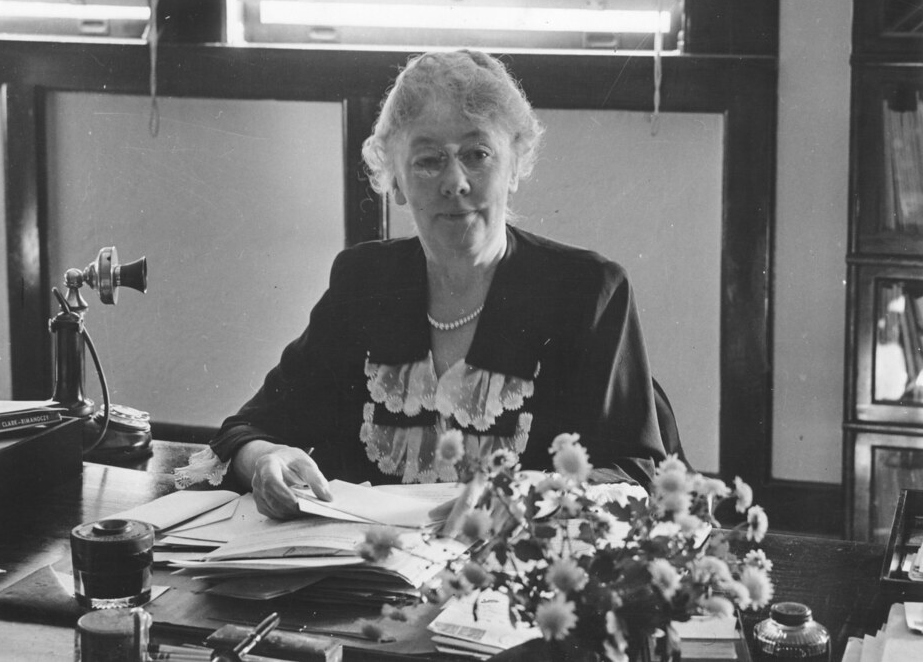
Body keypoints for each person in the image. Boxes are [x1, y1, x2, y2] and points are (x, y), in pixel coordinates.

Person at [176, 49, 670, 519]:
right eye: (429, 159)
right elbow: (248, 429)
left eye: (478, 153)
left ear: (515, 165)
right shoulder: (364, 282)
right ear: (394, 178)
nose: (454, 181)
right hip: (374, 582)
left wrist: (524, 498)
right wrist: (265, 460)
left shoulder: (588, 291)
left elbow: (631, 476)